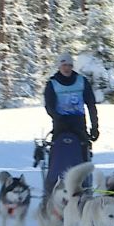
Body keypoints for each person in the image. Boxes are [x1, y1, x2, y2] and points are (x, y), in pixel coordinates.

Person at [43, 52, 99, 190]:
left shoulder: (82, 81)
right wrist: (57, 118)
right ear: (59, 66)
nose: (66, 68)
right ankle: (52, 186)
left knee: (82, 154)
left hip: (78, 124)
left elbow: (91, 104)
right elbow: (49, 106)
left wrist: (95, 126)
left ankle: (85, 187)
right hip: (60, 125)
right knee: (57, 155)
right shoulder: (52, 83)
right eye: (64, 65)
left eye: (69, 65)